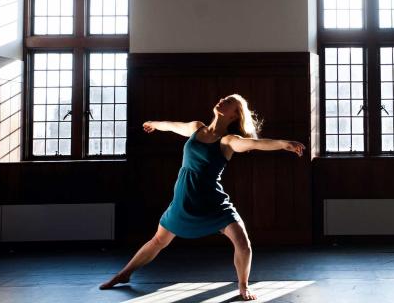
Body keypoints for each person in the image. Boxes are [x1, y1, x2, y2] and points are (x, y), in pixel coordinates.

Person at [99, 94, 305, 301]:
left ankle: (243, 286)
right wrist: (153, 123)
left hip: (213, 202)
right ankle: (123, 274)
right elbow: (173, 126)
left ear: (235, 115)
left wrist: (283, 143)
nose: (222, 101)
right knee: (158, 241)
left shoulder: (228, 141)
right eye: (223, 99)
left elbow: (255, 144)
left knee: (243, 244)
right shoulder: (196, 128)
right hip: (184, 198)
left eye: (229, 103)